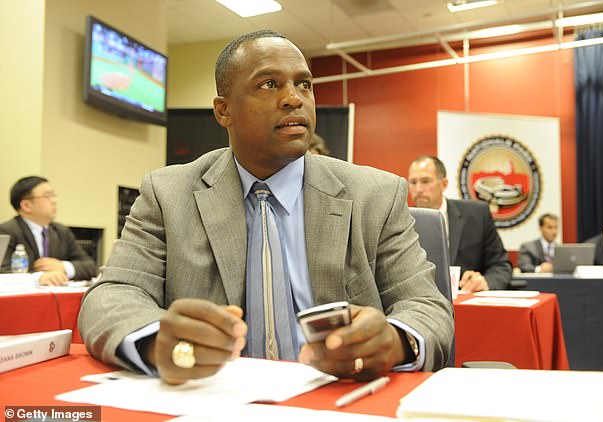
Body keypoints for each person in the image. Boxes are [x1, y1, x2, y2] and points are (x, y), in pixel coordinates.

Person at [79, 30, 453, 386]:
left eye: (304, 84)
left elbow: (427, 306)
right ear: (224, 111)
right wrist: (155, 340)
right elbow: (111, 295)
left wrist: (395, 340)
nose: (294, 98)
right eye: (269, 84)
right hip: (214, 400)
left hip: (339, 396)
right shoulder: (168, 193)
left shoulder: (376, 194)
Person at [407, 155, 512, 292]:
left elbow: (501, 265)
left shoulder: (476, 215)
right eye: (413, 182)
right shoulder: (400, 219)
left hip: (465, 302)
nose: (418, 189)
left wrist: (484, 282)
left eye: (425, 181)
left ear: (444, 184)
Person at [0, 176, 97, 285]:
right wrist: (38, 278)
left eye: (54, 195)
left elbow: (90, 266)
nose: (54, 201)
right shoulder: (6, 231)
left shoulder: (61, 231)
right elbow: (3, 271)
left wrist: (63, 266)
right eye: (47, 196)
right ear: (26, 205)